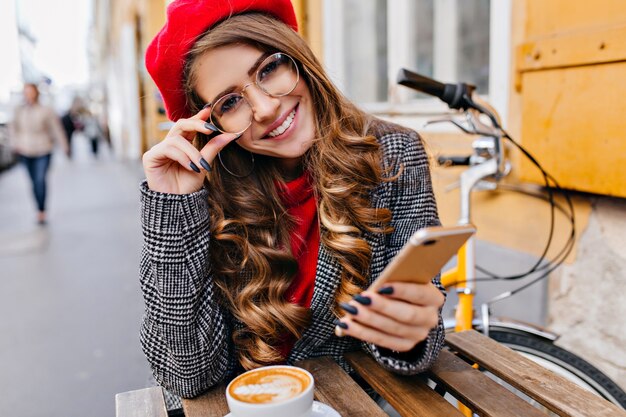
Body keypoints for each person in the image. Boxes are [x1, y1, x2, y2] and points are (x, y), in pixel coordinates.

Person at [140, 0, 446, 402]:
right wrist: (175, 205)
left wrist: (409, 334)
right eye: (229, 103)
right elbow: (188, 376)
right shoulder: (203, 191)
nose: (266, 108)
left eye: (269, 69)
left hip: (355, 403)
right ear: (207, 124)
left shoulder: (393, 155)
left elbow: (416, 323)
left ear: (299, 58)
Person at [9, 83, 69, 224]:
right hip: (25, 150)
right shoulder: (19, 110)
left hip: (43, 148)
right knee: (33, 182)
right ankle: (38, 207)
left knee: (40, 180)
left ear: (36, 93)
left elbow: (56, 129)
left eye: (31, 92)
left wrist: (64, 145)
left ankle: (42, 210)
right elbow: (13, 129)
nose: (28, 94)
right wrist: (15, 144)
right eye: (26, 92)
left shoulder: (46, 110)